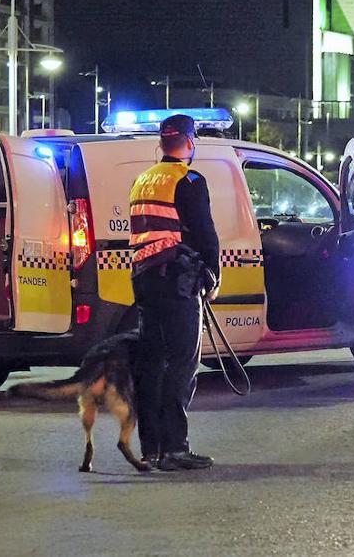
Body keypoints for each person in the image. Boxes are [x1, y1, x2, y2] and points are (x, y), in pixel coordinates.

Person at [129, 114, 220, 471]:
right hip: (177, 281)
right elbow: (204, 233)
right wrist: (212, 275)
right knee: (183, 362)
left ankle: (150, 448)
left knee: (151, 365)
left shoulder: (142, 180)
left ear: (161, 142)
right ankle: (175, 448)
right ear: (189, 142)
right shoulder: (189, 179)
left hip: (145, 281)